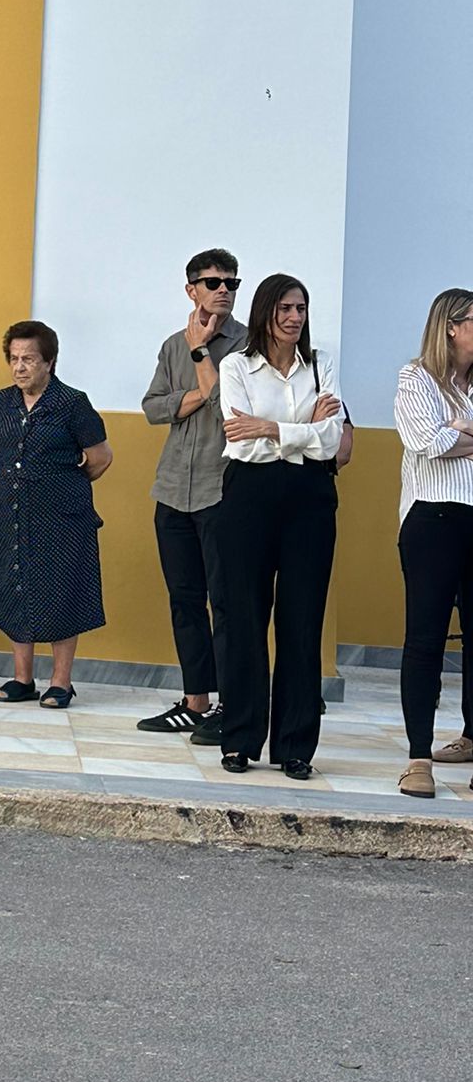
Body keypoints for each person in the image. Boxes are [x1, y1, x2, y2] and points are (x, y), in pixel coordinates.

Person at [216, 273, 344, 778]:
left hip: (311, 497)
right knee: (245, 617)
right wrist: (304, 427)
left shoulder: (321, 364)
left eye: (301, 309)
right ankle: (240, 739)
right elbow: (238, 438)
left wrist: (271, 427)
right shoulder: (235, 365)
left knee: (302, 620)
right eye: (285, 308)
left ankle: (295, 746)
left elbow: (332, 441)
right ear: (266, 311)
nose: (294, 318)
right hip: (249, 493)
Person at [137, 249, 245, 742]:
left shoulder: (248, 345)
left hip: (222, 489)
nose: (223, 289)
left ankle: (230, 704)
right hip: (172, 487)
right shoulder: (171, 345)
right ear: (191, 290)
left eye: (231, 282)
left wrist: (204, 365)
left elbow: (230, 409)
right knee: (184, 600)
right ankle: (195, 700)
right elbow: (153, 407)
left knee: (226, 601)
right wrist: (198, 393)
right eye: (213, 281)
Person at [0, 321, 113, 709]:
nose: (20, 367)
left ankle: (61, 681)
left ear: (50, 362)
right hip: (10, 512)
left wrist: (60, 482)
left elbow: (101, 457)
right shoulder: (3, 402)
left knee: (61, 590)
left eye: (29, 359)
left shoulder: (72, 403)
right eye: (14, 359)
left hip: (62, 516)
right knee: (14, 584)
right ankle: (23, 678)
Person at [392, 288, 473, 800]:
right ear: (451, 326)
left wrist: (459, 431)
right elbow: (426, 441)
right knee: (424, 640)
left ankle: (470, 738)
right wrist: (453, 434)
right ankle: (418, 758)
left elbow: (448, 440)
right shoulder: (415, 378)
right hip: (433, 519)